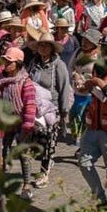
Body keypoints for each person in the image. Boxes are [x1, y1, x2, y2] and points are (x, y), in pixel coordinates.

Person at [75, 36, 107, 212]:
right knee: (83, 161)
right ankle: (101, 199)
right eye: (103, 46)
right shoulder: (98, 66)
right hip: (93, 124)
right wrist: (85, 86)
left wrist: (99, 84)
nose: (104, 50)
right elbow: (94, 91)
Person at [26, 32, 72, 193]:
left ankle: (44, 172)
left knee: (49, 143)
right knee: (35, 141)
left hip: (52, 109)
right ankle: (45, 163)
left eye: (46, 45)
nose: (42, 48)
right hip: (35, 108)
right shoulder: (33, 63)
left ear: (52, 48)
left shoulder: (58, 65)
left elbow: (64, 88)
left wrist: (64, 111)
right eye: (40, 45)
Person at [0, 47, 37, 198]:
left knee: (23, 154)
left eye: (9, 61)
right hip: (6, 122)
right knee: (2, 152)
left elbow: (30, 105)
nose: (6, 63)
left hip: (21, 123)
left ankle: (26, 185)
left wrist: (27, 126)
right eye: (5, 60)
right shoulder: (0, 80)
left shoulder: (25, 82)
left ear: (18, 63)